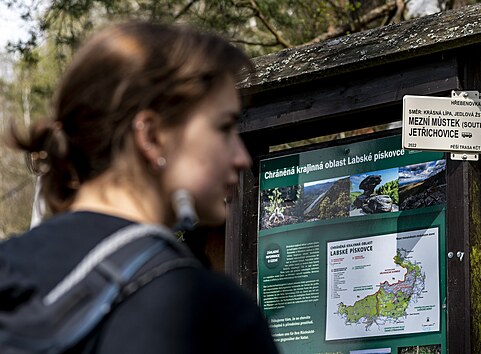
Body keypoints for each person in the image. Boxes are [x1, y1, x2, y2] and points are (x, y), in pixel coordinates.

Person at [0, 22, 279, 353]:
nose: (241, 157)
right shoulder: (211, 317)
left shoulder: (9, 268)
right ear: (151, 136)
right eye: (223, 128)